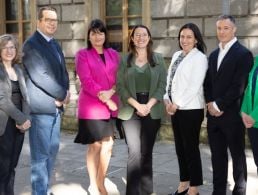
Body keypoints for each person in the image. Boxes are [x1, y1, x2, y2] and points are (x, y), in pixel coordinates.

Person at [22, 6, 70, 195]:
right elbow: (40, 76)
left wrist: (66, 93)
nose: (52, 23)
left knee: (52, 152)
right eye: (48, 19)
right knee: (40, 156)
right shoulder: (31, 45)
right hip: (41, 109)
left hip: (56, 109)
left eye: (55, 20)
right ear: (39, 22)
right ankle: (39, 192)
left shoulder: (55, 43)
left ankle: (44, 189)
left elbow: (63, 71)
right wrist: (60, 95)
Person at [204, 15, 253, 195]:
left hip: (232, 116)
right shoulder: (214, 54)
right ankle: (218, 191)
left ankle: (239, 191)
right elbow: (207, 83)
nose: (222, 31)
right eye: (219, 28)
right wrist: (210, 103)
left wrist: (219, 105)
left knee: (238, 157)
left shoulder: (243, 54)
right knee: (217, 157)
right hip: (213, 116)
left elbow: (239, 86)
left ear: (234, 30)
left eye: (226, 28)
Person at [117, 24, 167, 195]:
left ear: (149, 37)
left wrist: (148, 105)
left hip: (152, 108)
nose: (140, 38)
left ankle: (146, 191)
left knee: (147, 153)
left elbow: (162, 85)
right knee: (134, 152)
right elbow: (121, 87)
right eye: (137, 35)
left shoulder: (159, 59)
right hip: (131, 108)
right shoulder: (125, 60)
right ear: (132, 38)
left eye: (144, 34)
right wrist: (138, 105)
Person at [74, 19, 120, 195]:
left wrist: (112, 92)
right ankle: (95, 185)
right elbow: (87, 81)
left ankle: (101, 181)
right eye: (93, 33)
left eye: (100, 32)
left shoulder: (113, 54)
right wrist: (106, 98)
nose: (97, 36)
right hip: (92, 107)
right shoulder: (82, 54)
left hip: (111, 106)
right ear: (88, 36)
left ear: (105, 35)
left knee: (108, 146)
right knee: (95, 146)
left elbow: (120, 76)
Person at [164, 23, 208, 195]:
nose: (185, 40)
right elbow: (169, 80)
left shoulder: (200, 58)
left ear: (196, 39)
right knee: (180, 148)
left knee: (190, 148)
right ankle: (183, 183)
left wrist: (177, 104)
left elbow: (194, 86)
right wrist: (167, 100)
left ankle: (194, 188)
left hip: (191, 110)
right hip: (175, 108)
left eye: (189, 37)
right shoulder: (176, 55)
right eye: (182, 36)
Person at [0, 34, 31, 195]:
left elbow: (26, 97)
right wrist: (21, 118)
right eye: (5, 47)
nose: (9, 50)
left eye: (12, 47)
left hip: (19, 124)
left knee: (12, 165)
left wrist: (26, 119)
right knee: (3, 167)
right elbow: (2, 100)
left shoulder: (18, 69)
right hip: (4, 125)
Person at [241, 56, 258, 175]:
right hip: (252, 124)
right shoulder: (256, 61)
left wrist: (254, 116)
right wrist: (243, 112)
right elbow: (249, 90)